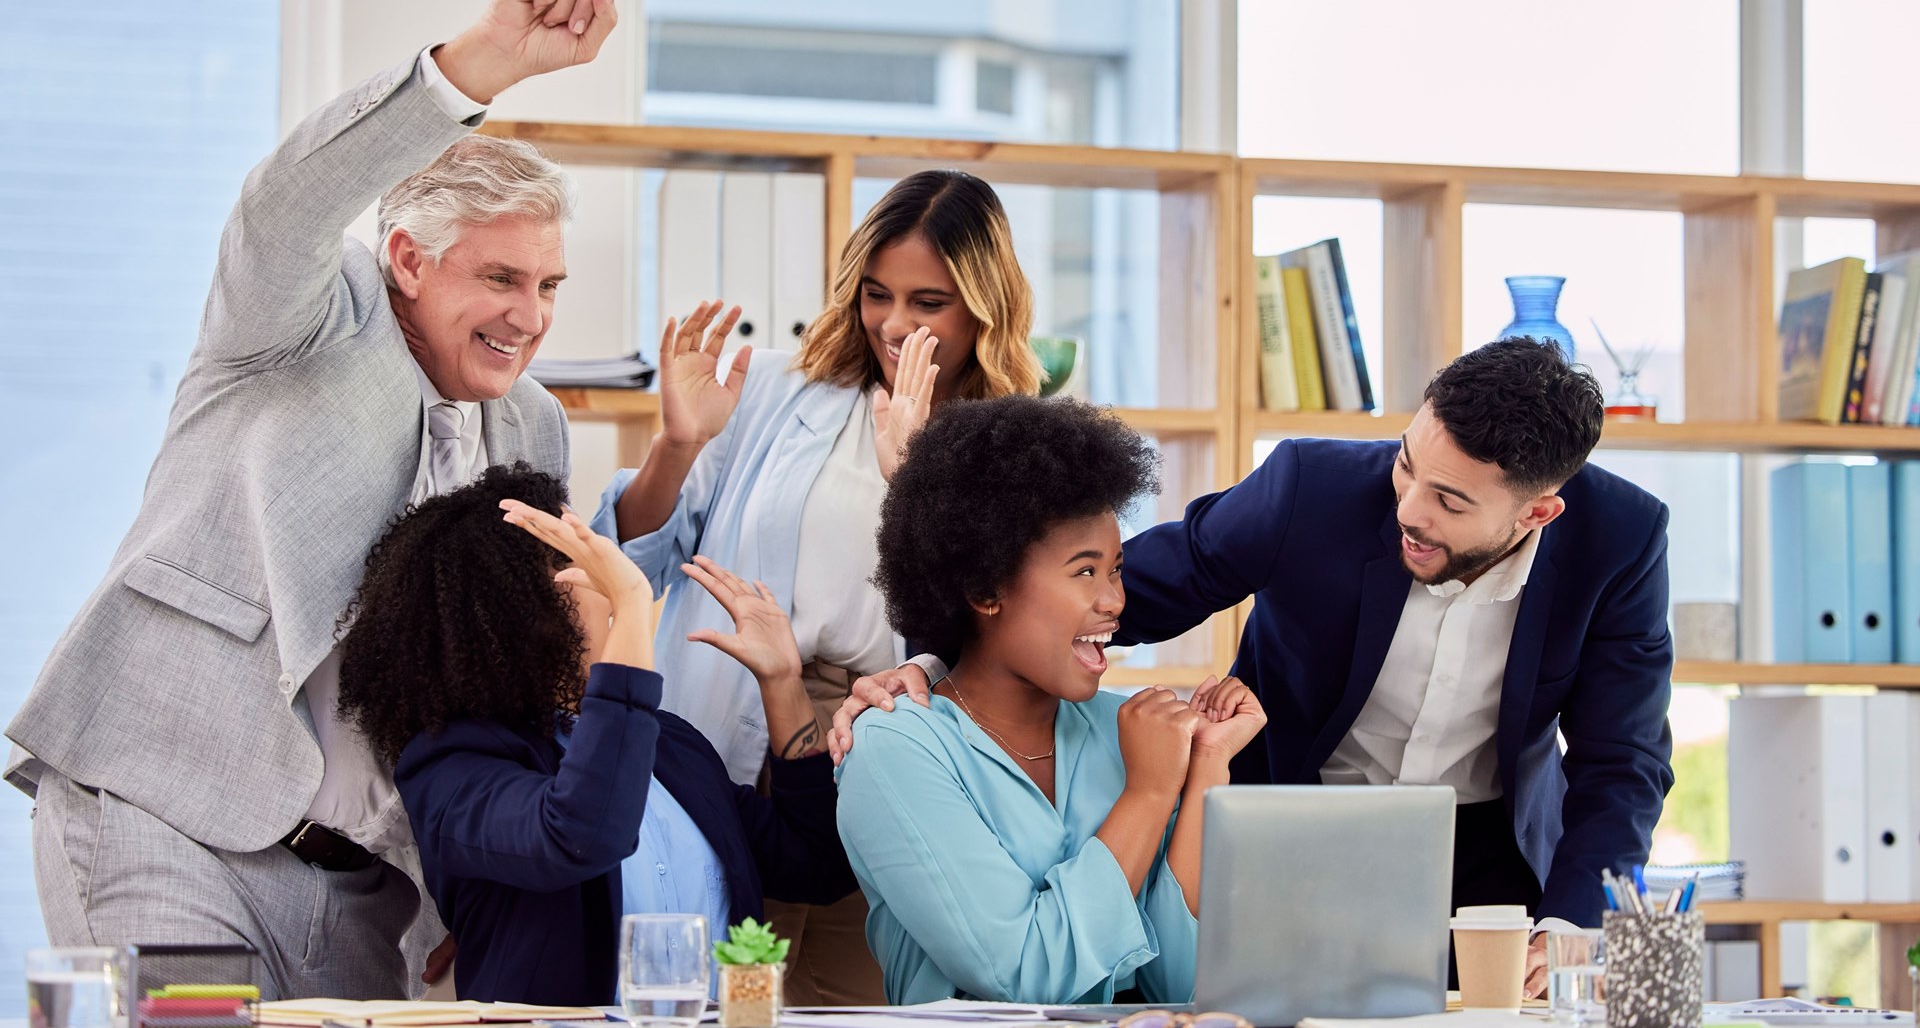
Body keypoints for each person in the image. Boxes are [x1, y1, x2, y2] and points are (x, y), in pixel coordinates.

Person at [6, 0, 654, 999]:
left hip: (369, 887)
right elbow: (284, 207)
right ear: (406, 258)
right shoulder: (308, 315)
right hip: (173, 817)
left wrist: (468, 886)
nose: (528, 316)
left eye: (547, 287)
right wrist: (482, 63)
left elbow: (502, 674)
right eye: (498, 280)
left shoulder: (532, 426)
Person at [835, 338, 1675, 997]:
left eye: (1450, 502)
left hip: (1482, 849)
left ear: (1538, 510)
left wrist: (1571, 922)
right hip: (1284, 825)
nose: (1408, 510)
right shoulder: (1312, 489)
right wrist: (937, 655)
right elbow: (1109, 589)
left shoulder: (1621, 541)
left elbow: (1622, 761)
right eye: (1408, 465)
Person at [591, 169, 1042, 1002]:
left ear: (985, 305)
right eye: (877, 294)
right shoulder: (773, 384)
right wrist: (678, 444)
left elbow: (998, 635)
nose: (895, 324)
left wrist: (912, 472)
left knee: (849, 998)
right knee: (704, 994)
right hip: (728, 708)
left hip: (881, 744)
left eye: (927, 302)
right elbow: (636, 558)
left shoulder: (1014, 443)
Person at [331, 464, 854, 1005]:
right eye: (580, 564)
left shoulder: (670, 744)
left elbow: (816, 864)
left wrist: (782, 682)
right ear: (516, 610)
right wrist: (631, 606)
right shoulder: (450, 767)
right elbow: (582, 832)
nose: (610, 581)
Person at [836, 395, 1267, 1005]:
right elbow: (1022, 979)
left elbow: (1189, 985)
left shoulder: (1126, 730)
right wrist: (1147, 795)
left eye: (1116, 569)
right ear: (986, 588)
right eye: (1084, 571)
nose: (1115, 601)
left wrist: (1203, 773)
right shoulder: (894, 751)